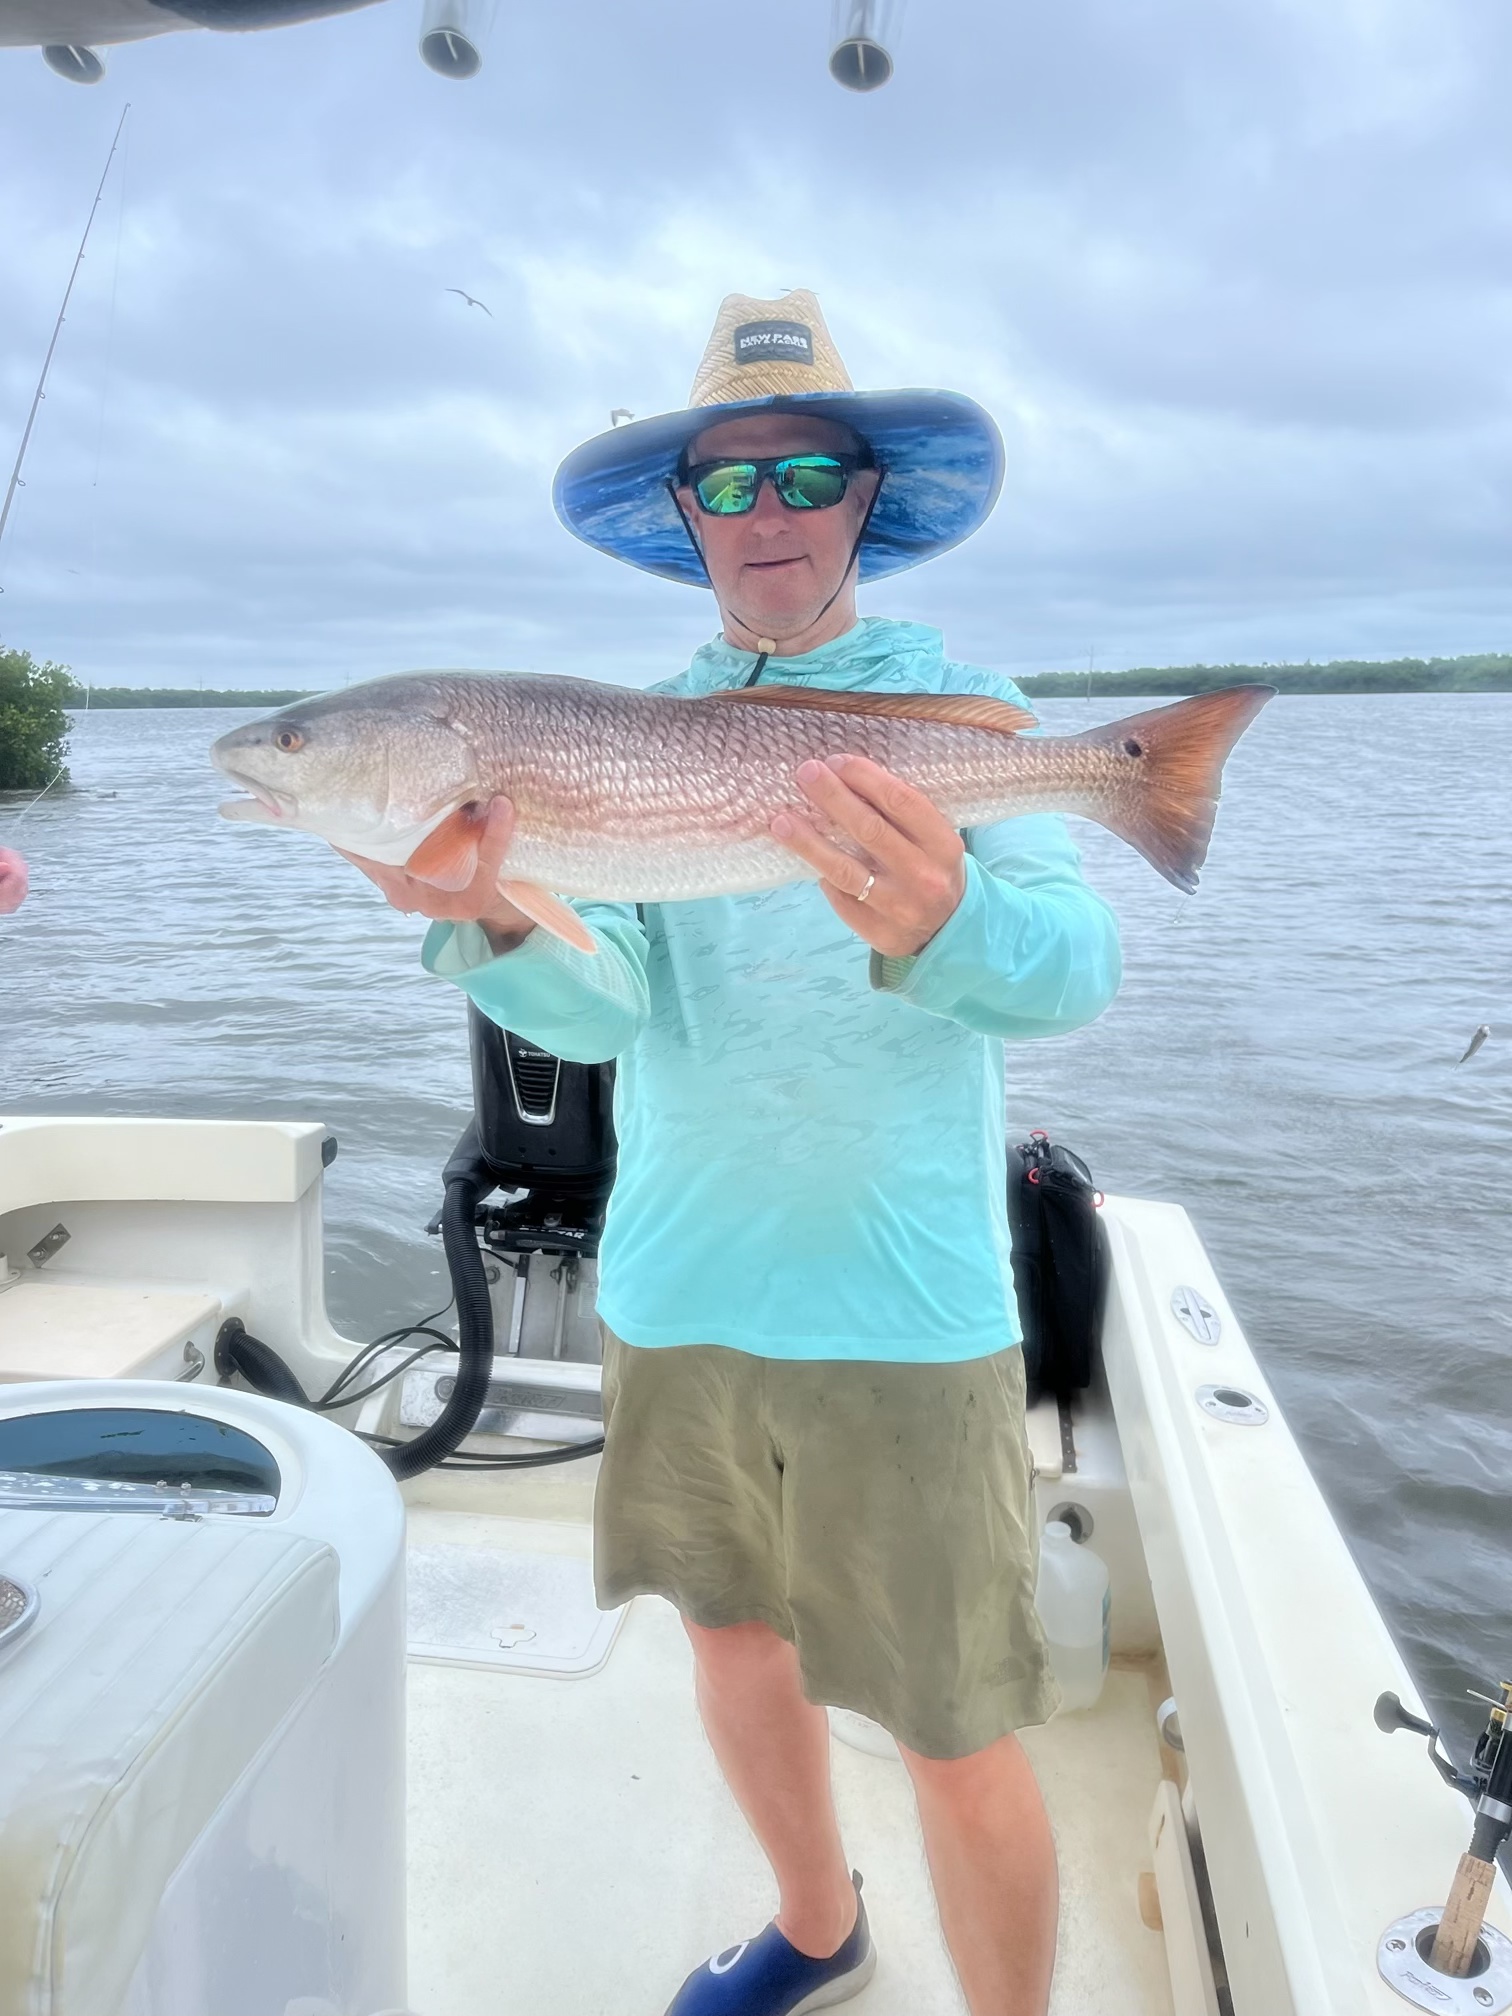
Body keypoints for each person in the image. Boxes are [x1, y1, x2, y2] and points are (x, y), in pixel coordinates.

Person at [349, 291, 1121, 2016]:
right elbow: (612, 1013)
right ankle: (820, 1926)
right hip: (682, 1284)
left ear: (868, 498)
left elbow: (1073, 977)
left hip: (906, 1306)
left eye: (805, 475)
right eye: (728, 486)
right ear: (684, 520)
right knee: (729, 1638)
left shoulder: (971, 717)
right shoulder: (626, 742)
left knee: (950, 1710)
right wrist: (488, 915)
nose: (766, 515)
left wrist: (953, 914)